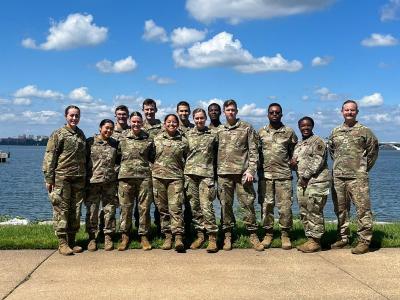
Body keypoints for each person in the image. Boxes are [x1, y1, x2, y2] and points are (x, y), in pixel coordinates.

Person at [328, 100, 379, 255]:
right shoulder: (335, 131)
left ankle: (364, 240)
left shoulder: (365, 131)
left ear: (357, 112)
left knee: (363, 209)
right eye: (346, 110)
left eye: (352, 110)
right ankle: (343, 237)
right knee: (341, 209)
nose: (349, 113)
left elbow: (373, 152)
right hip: (338, 177)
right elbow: (332, 151)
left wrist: (362, 169)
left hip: (357, 178)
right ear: (341, 111)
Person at [217, 99, 264, 251]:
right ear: (224, 112)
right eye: (228, 110)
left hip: (243, 174)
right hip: (224, 174)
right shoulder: (218, 129)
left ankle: (253, 234)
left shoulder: (246, 128)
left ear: (236, 111)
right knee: (225, 206)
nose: (230, 112)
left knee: (248, 205)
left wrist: (251, 170)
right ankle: (228, 235)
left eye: (233, 109)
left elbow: (253, 151)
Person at [42, 105, 86, 255]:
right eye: (71, 115)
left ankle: (72, 241)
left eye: (77, 116)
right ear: (66, 116)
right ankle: (62, 243)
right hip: (62, 178)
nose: (74, 118)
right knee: (61, 209)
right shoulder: (58, 134)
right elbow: (50, 156)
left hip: (78, 178)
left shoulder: (80, 134)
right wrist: (49, 177)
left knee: (76, 210)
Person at [258, 103, 298, 250]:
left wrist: (293, 162)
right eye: (271, 112)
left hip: (284, 176)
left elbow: (295, 151)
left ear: (281, 114)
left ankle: (285, 234)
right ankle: (268, 234)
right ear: (268, 114)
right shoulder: (261, 132)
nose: (274, 115)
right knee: (266, 206)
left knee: (285, 207)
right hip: (266, 176)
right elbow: (255, 153)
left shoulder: (289, 132)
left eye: (277, 112)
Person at [290, 117, 330, 253]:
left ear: (312, 126)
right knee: (304, 212)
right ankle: (310, 238)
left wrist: (305, 176)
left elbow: (317, 162)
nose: (305, 128)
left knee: (314, 211)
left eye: (308, 125)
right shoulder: (299, 144)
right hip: (302, 183)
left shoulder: (318, 142)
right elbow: (297, 162)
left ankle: (316, 241)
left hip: (316, 183)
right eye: (302, 126)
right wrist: (293, 164)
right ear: (299, 127)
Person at [117, 112, 155, 251]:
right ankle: (125, 236)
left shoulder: (148, 139)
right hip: (125, 178)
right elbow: (116, 157)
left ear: (142, 123)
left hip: (144, 178)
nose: (136, 124)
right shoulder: (122, 138)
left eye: (138, 122)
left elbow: (152, 157)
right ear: (130, 122)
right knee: (126, 208)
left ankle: (143, 236)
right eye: (133, 122)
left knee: (144, 209)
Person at [152, 114, 189, 252]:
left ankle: (178, 237)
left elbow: (188, 158)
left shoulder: (183, 141)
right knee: (162, 209)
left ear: (178, 124)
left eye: (174, 122)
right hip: (158, 178)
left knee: (176, 208)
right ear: (164, 123)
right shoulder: (156, 139)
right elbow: (150, 156)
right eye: (169, 122)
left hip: (176, 178)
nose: (171, 124)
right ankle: (168, 236)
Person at [184, 108, 219, 253]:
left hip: (206, 175)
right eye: (196, 118)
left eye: (201, 118)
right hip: (190, 174)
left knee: (206, 206)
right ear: (193, 119)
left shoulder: (213, 135)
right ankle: (200, 235)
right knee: (195, 207)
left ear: (205, 119)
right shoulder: (187, 135)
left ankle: (212, 237)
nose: (199, 121)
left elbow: (218, 154)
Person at [85, 119, 119, 252]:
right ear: (100, 128)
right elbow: (84, 161)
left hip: (109, 183)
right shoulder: (90, 142)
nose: (109, 131)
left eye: (111, 128)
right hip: (93, 182)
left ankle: (108, 236)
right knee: (92, 211)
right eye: (106, 128)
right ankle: (92, 238)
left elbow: (118, 161)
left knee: (109, 210)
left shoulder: (115, 144)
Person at [141, 98, 162, 235]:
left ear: (156, 110)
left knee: (160, 202)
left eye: (151, 109)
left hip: (161, 169)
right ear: (143, 110)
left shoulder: (162, 126)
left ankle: (161, 230)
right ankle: (142, 231)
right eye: (147, 109)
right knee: (144, 203)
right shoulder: (138, 126)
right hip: (143, 171)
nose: (149, 112)